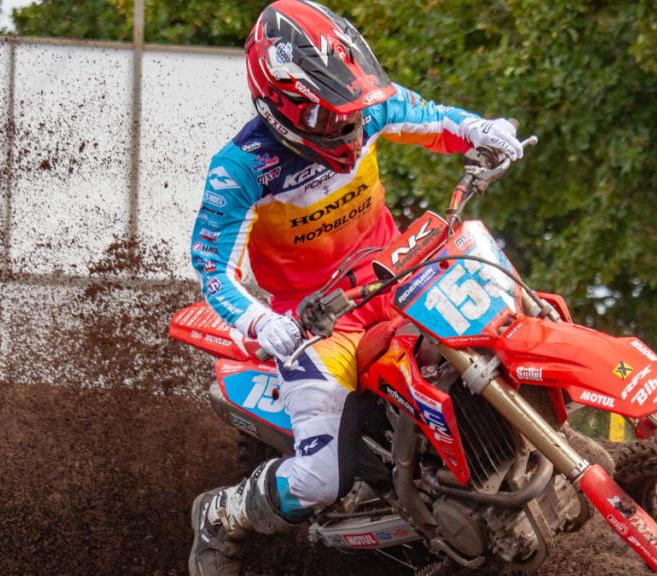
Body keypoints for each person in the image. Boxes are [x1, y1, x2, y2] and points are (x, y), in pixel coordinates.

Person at [188, 1, 523, 574]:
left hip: (401, 274)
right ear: (282, 105)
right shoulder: (240, 169)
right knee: (320, 479)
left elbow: (436, 120)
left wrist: (480, 129)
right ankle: (224, 514)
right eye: (329, 117)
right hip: (320, 320)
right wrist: (260, 321)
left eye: (353, 112)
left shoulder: (366, 107)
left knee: (501, 321)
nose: (351, 129)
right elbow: (212, 268)